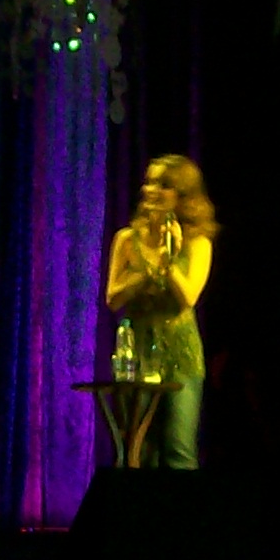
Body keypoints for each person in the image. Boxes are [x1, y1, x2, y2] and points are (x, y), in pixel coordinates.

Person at [104, 153, 217, 471]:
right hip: (138, 353)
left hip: (181, 354)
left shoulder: (197, 243)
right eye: (149, 182)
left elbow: (188, 297)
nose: (151, 190)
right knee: (138, 452)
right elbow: (113, 298)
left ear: (183, 195)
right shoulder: (127, 239)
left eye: (163, 185)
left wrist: (169, 260)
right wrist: (145, 272)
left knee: (178, 452)